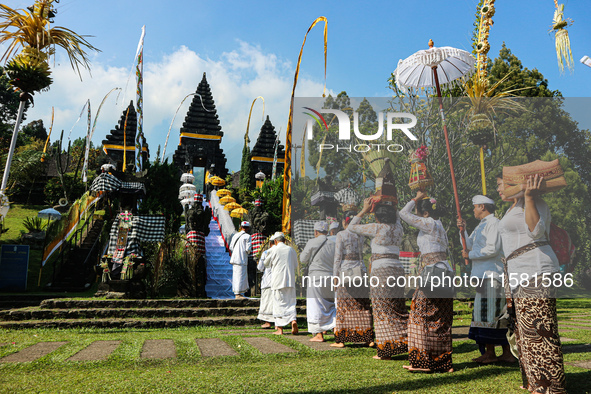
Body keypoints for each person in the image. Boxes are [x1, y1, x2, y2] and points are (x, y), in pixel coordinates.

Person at [496, 173, 566, 393]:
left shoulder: (536, 201)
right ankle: (536, 382)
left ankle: (551, 387)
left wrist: (529, 197)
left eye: (500, 185)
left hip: (535, 269)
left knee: (540, 332)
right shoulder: (510, 208)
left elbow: (536, 231)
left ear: (513, 183)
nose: (498, 190)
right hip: (518, 273)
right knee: (525, 333)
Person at [457, 195, 516, 364]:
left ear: (482, 206)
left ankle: (506, 353)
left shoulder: (494, 223)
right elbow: (468, 245)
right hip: (482, 276)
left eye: (475, 207)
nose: (474, 210)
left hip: (492, 275)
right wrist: (464, 230)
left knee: (495, 315)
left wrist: (471, 255)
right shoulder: (481, 226)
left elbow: (492, 249)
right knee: (483, 315)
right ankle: (490, 352)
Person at [399, 190, 453, 373]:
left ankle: (424, 361)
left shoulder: (429, 223)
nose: (416, 217)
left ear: (426, 213)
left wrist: (415, 198)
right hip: (444, 271)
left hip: (433, 273)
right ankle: (443, 362)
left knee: (419, 314)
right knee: (441, 316)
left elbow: (402, 214)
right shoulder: (440, 224)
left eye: (418, 213)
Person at [348, 198, 408, 360]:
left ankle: (385, 350)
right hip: (397, 269)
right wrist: (392, 203)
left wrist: (363, 209)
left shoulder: (377, 227)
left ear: (377, 217)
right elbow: (398, 217)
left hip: (381, 270)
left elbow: (351, 227)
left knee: (381, 308)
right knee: (397, 307)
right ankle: (405, 341)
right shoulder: (398, 229)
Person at [330, 210, 374, 349]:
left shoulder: (341, 234)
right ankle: (367, 338)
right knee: (362, 305)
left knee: (344, 306)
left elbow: (338, 258)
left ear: (344, 222)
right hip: (360, 271)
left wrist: (335, 277)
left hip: (346, 272)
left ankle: (341, 339)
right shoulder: (360, 235)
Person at [300, 221, 336, 342]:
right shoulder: (333, 243)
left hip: (316, 277)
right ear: (327, 231)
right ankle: (336, 328)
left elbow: (303, 259)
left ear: (315, 232)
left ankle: (319, 334)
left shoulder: (312, 242)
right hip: (331, 277)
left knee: (315, 305)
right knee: (331, 305)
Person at [263, 232, 299, 335]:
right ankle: (293, 321)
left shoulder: (274, 250)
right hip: (290, 280)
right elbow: (296, 264)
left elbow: (266, 263)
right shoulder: (291, 250)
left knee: (278, 303)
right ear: (284, 240)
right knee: (291, 303)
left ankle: (280, 328)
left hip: (278, 280)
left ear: (275, 241)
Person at [257, 234, 277, 328]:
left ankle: (267, 322)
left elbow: (260, 268)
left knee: (266, 301)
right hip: (278, 280)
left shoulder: (266, 253)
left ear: (270, 243)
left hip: (268, 280)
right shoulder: (280, 252)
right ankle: (278, 322)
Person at [229, 221, 252, 299]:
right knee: (241, 276)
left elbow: (231, 247)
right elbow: (248, 249)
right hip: (242, 258)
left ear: (241, 227)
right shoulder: (248, 236)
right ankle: (238, 294)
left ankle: (237, 292)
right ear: (248, 228)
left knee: (236, 275)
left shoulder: (235, 235)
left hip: (235, 258)